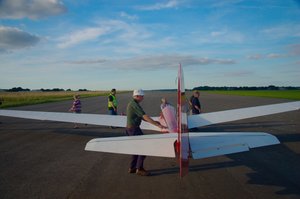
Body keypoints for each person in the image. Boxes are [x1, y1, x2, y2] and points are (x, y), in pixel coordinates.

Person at [126, 89, 165, 176]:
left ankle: (132, 168)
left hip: (131, 129)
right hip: (134, 130)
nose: (143, 97)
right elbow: (145, 116)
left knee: (136, 149)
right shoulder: (134, 105)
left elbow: (142, 117)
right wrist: (157, 125)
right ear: (137, 96)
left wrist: (155, 122)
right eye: (142, 96)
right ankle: (139, 169)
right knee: (144, 148)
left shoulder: (133, 103)